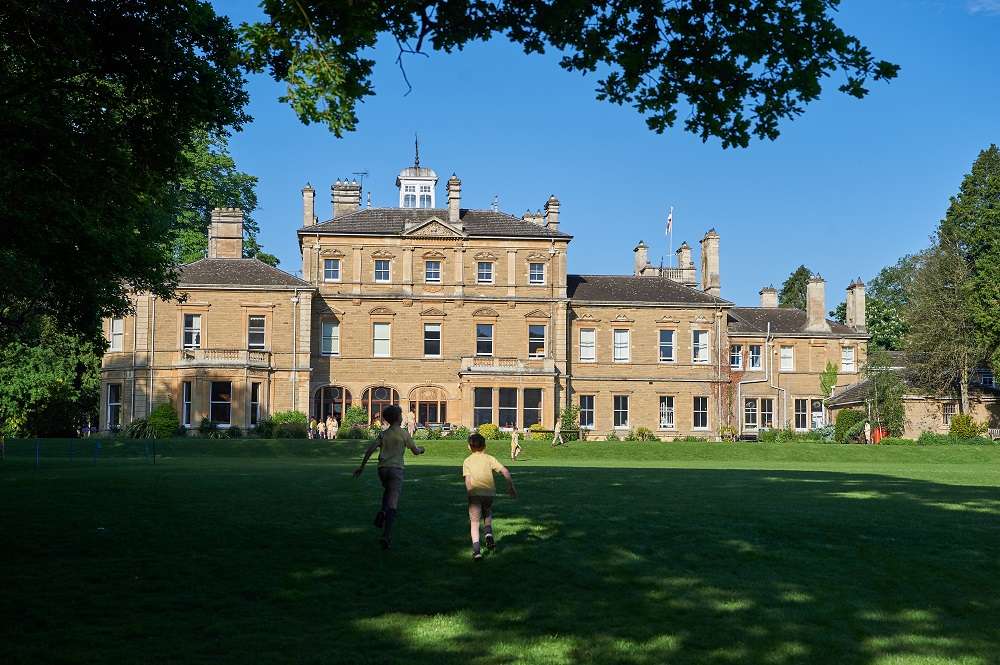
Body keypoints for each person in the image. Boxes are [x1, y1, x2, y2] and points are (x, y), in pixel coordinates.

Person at [353, 405, 425, 549]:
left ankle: (382, 511)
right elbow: (415, 451)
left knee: (388, 491)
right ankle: (386, 535)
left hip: (382, 469)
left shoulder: (384, 434)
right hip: (396, 469)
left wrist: (362, 466)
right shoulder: (403, 433)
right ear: (398, 418)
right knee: (393, 502)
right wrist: (422, 450)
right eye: (401, 414)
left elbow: (370, 449)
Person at [463, 432, 517, 561]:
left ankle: (476, 552)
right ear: (485, 446)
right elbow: (505, 471)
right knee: (487, 512)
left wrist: (470, 492)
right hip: (489, 493)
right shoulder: (489, 458)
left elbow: (468, 480)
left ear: (469, 447)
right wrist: (511, 486)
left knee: (475, 523)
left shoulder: (467, 461)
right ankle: (488, 534)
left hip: (475, 494)